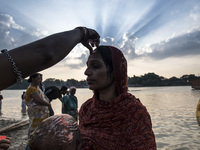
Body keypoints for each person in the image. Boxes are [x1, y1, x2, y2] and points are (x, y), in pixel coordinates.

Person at [0, 26, 100, 150]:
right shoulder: (33, 89)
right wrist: (82, 33)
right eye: (38, 78)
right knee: (34, 138)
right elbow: (46, 53)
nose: (87, 72)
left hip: (42, 117)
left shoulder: (40, 89)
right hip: (37, 118)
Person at [79, 46, 157, 149]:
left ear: (116, 71)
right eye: (88, 66)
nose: (87, 72)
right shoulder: (86, 109)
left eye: (95, 66)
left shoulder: (134, 112)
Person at [25, 73, 51, 148]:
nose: (40, 80)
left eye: (40, 79)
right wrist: (48, 104)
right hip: (36, 115)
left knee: (41, 132)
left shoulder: (36, 88)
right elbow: (38, 100)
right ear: (32, 79)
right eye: (38, 79)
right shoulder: (31, 89)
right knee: (35, 132)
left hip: (40, 115)